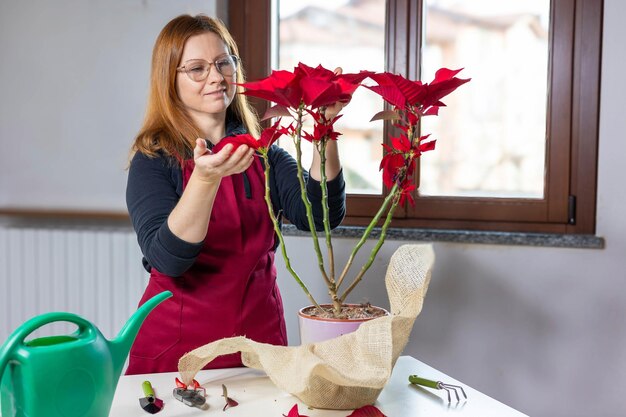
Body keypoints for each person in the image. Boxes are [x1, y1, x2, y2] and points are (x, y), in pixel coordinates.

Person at [125, 14, 346, 374]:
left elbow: (320, 216)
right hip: (179, 349)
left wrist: (324, 128)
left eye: (223, 63)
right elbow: (168, 259)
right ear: (169, 80)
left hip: (260, 346)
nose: (216, 77)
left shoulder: (266, 155)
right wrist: (205, 180)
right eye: (196, 68)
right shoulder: (153, 160)